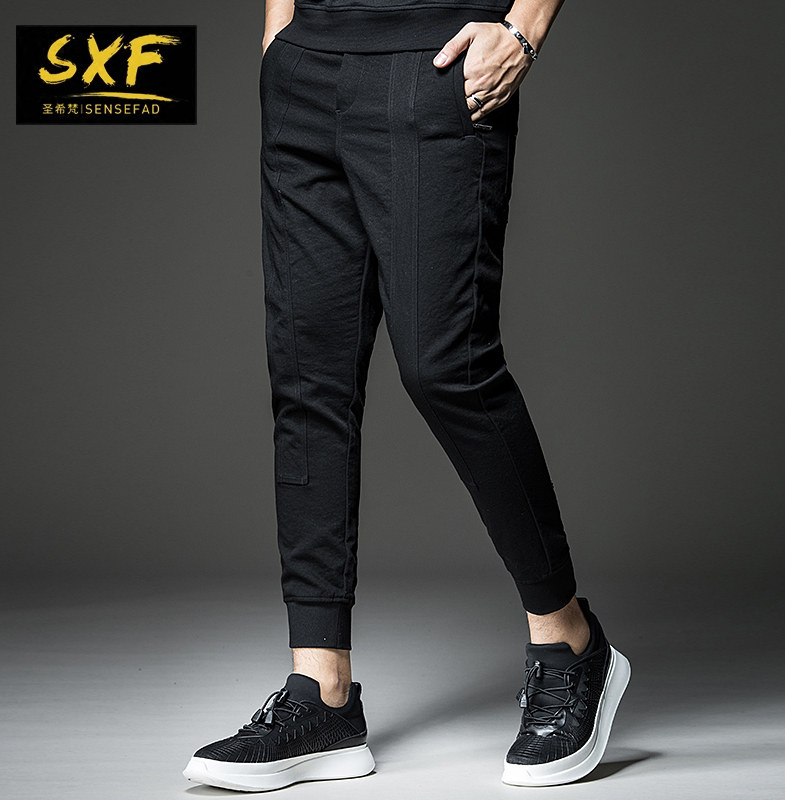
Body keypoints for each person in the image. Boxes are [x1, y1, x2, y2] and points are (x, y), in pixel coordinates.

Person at [183, 0, 630, 791]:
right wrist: (280, 31)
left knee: (446, 366)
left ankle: (570, 641)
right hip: (306, 69)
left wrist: (523, 29)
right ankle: (321, 693)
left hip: (439, 62)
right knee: (308, 377)